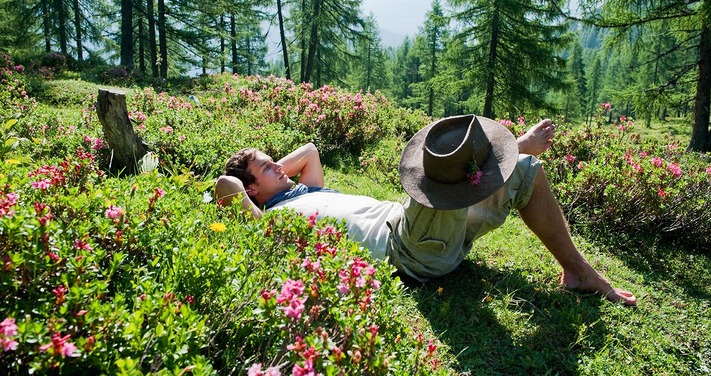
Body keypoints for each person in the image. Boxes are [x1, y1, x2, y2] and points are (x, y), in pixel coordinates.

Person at [215, 115, 637, 306]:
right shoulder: (269, 220)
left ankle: (577, 271)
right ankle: (511, 147)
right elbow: (225, 186)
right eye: (265, 167)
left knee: (526, 171)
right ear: (252, 189)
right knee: (437, 178)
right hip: (408, 250)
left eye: (274, 159)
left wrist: (272, 175)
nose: (277, 164)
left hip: (426, 231)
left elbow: (309, 151)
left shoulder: (304, 190)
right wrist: (253, 190)